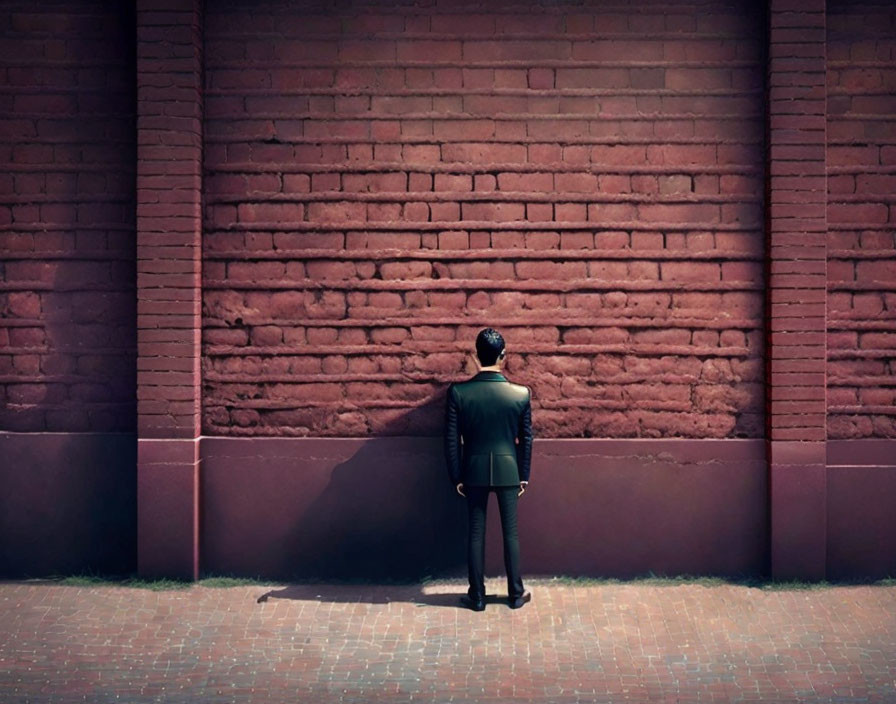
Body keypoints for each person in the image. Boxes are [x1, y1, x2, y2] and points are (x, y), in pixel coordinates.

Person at [444, 327, 533, 611]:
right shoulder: (521, 394)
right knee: (511, 534)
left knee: (475, 533)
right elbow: (527, 438)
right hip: (509, 469)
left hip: (473, 470)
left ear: (475, 356)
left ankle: (478, 597)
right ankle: (515, 595)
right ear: (503, 356)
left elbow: (450, 439)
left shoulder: (459, 392)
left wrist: (456, 474)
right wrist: (524, 475)